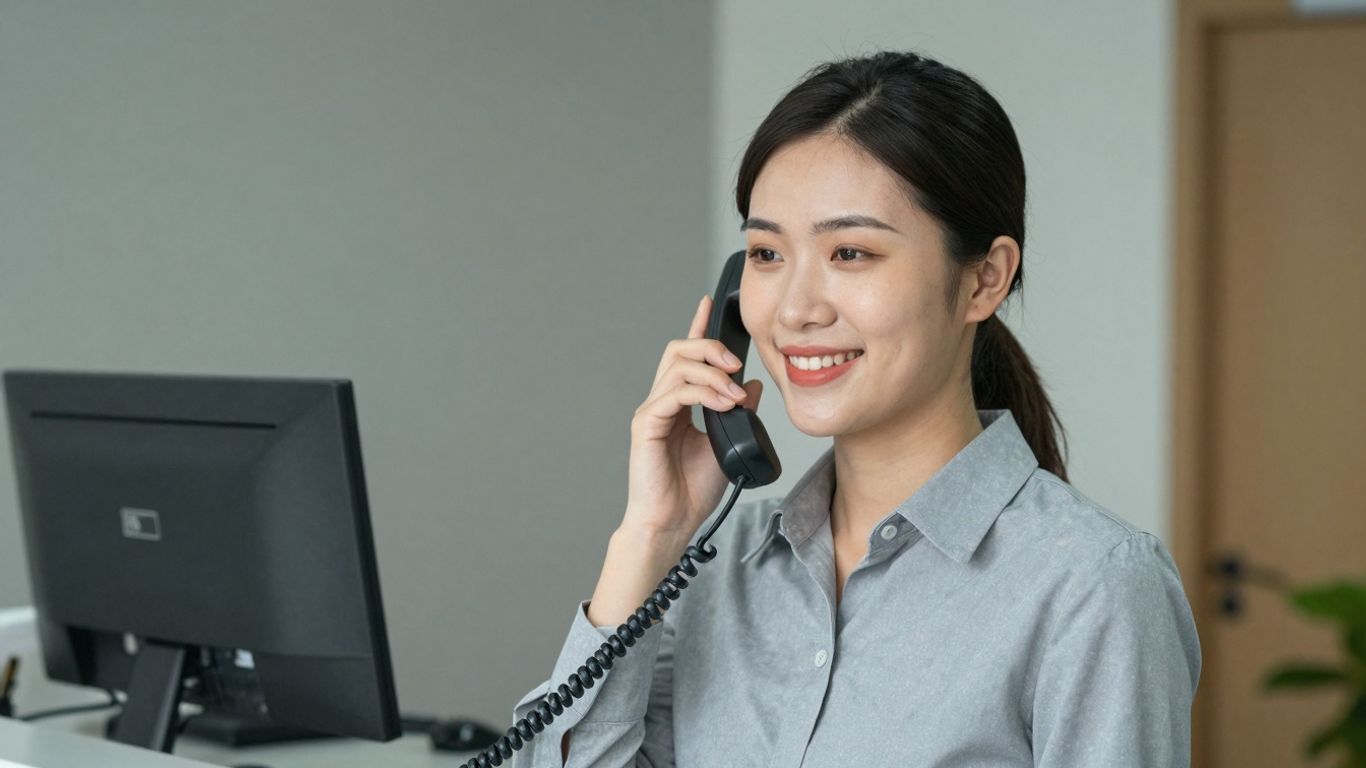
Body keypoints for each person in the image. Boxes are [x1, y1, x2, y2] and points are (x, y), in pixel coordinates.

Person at [508, 50, 1201, 767]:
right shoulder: (720, 568)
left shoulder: (1097, 587)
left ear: (984, 280)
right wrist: (650, 535)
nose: (796, 311)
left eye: (850, 253)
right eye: (768, 255)